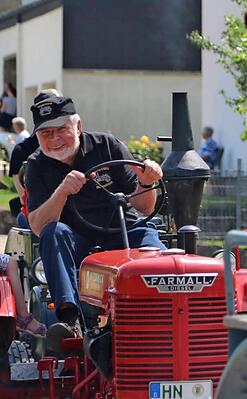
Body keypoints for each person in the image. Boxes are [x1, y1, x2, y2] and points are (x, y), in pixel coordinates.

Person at [25, 96, 165, 337]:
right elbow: (38, 226)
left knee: (157, 252)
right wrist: (62, 191)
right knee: (53, 232)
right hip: (78, 243)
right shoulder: (36, 165)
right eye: (46, 133)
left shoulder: (107, 146)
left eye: (61, 129)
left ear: (78, 126)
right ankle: (70, 321)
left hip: (124, 232)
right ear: (37, 137)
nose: (55, 139)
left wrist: (145, 182)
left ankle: (162, 314)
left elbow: (143, 207)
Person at [9, 89, 62, 226]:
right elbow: (23, 197)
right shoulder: (21, 151)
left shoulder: (77, 144)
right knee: (25, 219)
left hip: (81, 210)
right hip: (41, 211)